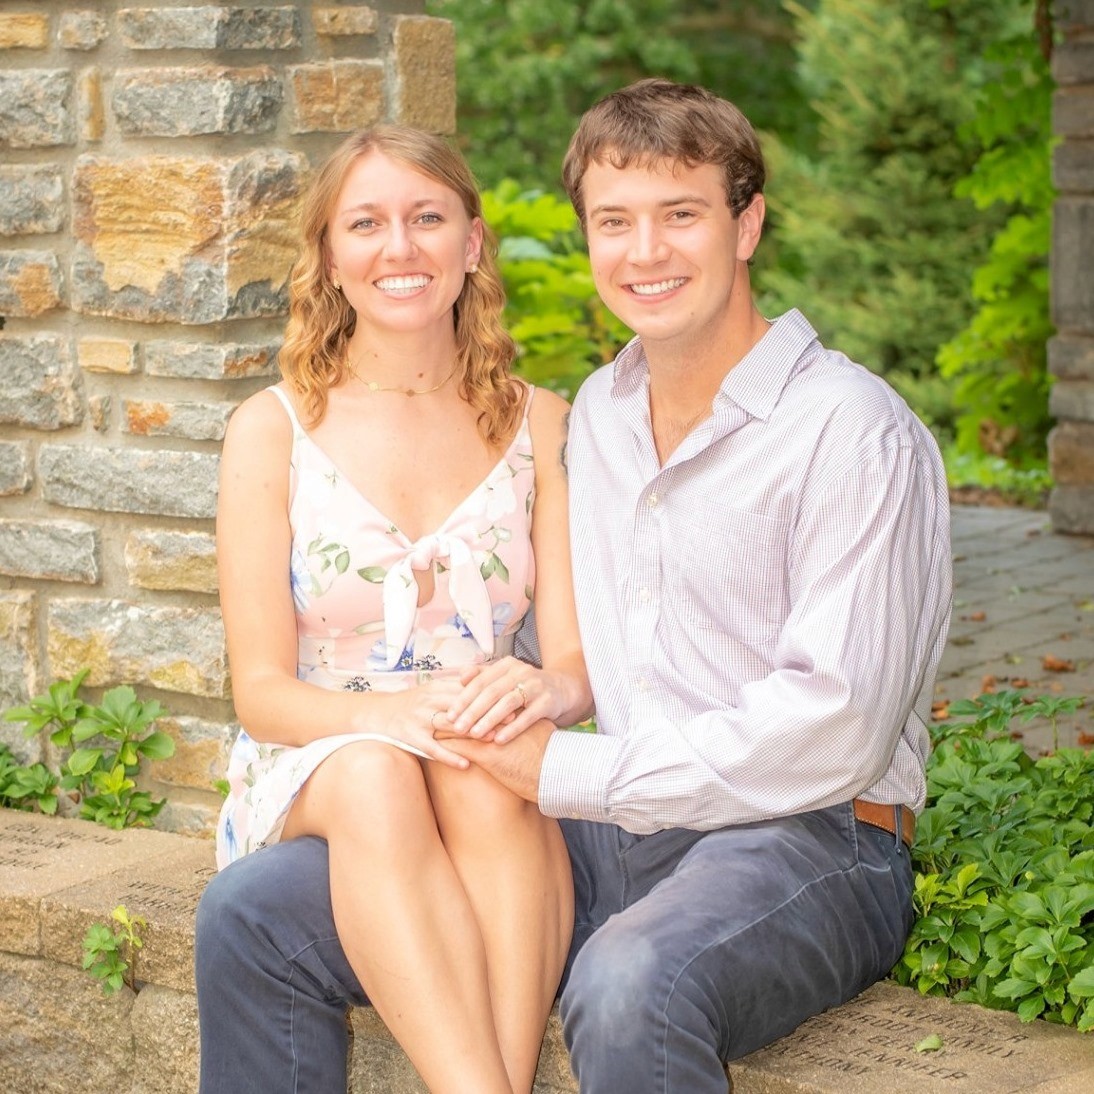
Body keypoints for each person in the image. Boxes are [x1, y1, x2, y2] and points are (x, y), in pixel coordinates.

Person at [197, 79, 953, 1094]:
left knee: (632, 981)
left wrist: (566, 767)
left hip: (811, 831)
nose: (645, 252)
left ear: (747, 225)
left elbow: (838, 726)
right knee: (251, 913)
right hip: (627, 826)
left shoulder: (851, 431)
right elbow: (573, 650)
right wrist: (545, 698)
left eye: (680, 214)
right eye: (614, 222)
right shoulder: (600, 416)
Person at [198, 125, 590, 1094]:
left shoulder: (543, 423)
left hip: (476, 751)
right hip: (322, 754)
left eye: (426, 218)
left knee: (487, 762)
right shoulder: (272, 429)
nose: (399, 247)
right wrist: (392, 716)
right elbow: (261, 695)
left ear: (473, 240)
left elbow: (578, 665)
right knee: (379, 771)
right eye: (365, 223)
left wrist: (541, 690)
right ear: (330, 255)